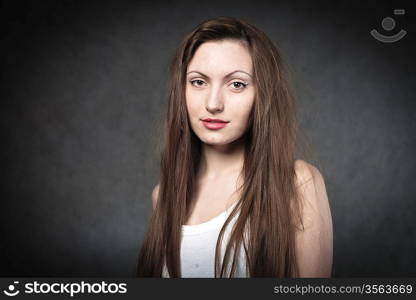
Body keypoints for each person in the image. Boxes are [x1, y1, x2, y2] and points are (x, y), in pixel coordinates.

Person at [136, 16, 333, 278]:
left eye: (236, 84)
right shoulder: (164, 195)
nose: (213, 103)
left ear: (262, 95)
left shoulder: (297, 183)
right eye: (198, 82)